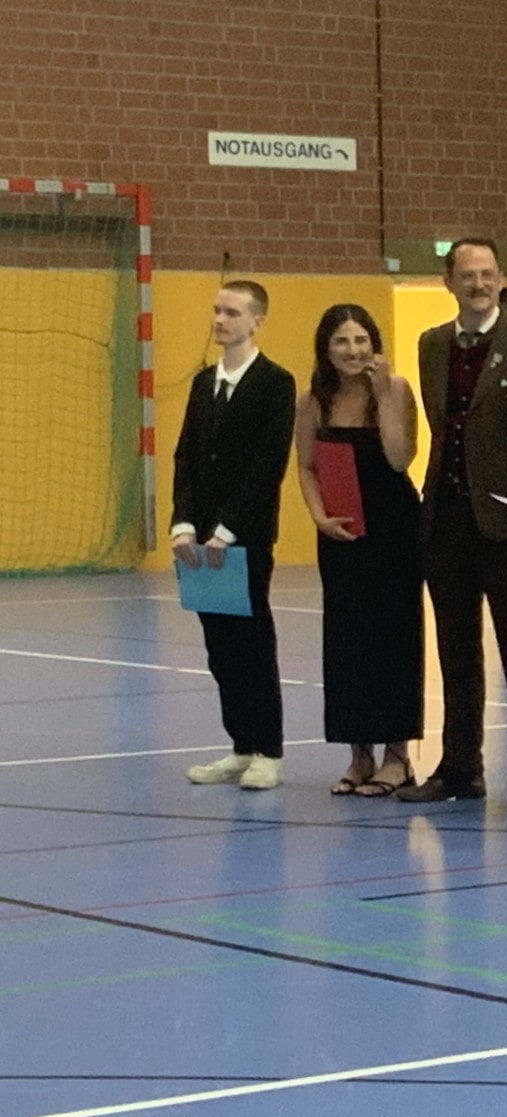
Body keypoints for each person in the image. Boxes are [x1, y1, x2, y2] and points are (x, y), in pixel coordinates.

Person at [397, 237, 507, 812]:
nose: (478, 284)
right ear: (449, 282)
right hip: (446, 517)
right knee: (455, 651)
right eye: (467, 275)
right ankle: (460, 767)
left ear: (501, 278)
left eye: (488, 274)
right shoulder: (431, 344)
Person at [293, 304, 423, 797]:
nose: (353, 350)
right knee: (347, 641)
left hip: (393, 529)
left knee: (393, 638)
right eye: (342, 342)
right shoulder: (313, 400)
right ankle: (359, 755)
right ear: (326, 350)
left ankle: (397, 757)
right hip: (341, 530)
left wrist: (384, 393)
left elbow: (399, 457)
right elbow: (306, 465)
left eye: (361, 340)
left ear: (374, 344)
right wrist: (318, 517)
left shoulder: (396, 389)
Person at [172, 281, 297, 792]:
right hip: (199, 542)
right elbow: (186, 455)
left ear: (256, 321)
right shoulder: (204, 382)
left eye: (232, 312)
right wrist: (184, 523)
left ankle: (268, 749)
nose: (220, 320)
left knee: (251, 644)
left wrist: (227, 530)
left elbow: (267, 465)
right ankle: (241, 744)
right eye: (217, 311)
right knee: (219, 648)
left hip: (243, 539)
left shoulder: (275, 383)